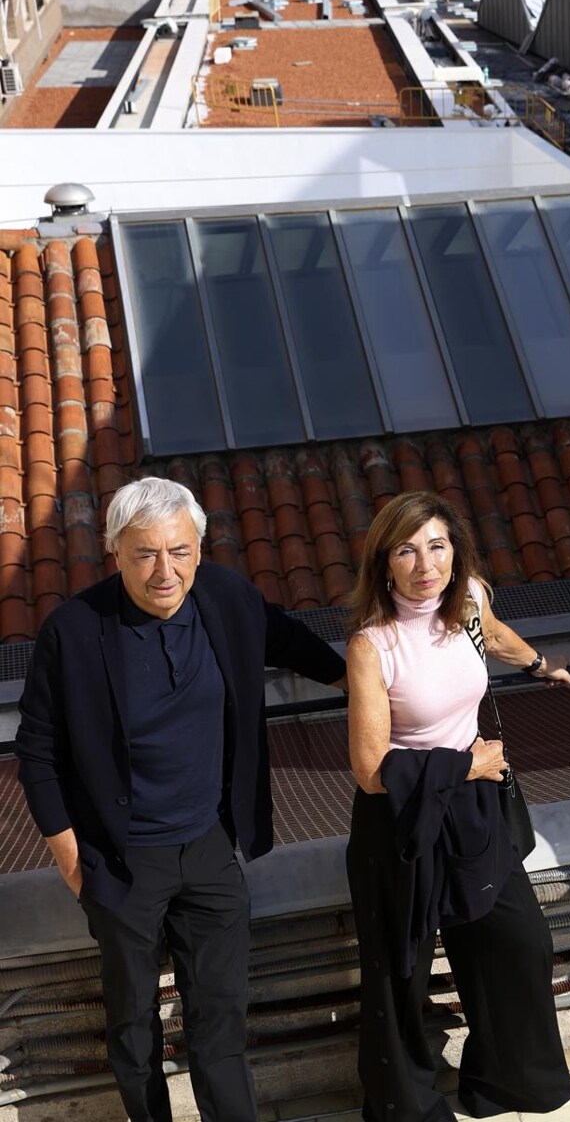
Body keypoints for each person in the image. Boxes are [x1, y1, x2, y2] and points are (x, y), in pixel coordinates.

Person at [15, 477, 347, 1122]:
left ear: (200, 548)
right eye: (145, 554)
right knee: (134, 1025)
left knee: (220, 1017)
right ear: (115, 552)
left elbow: (295, 642)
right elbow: (37, 752)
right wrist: (71, 861)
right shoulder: (75, 630)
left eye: (180, 551)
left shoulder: (227, 597)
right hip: (119, 858)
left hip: (209, 848)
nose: (165, 571)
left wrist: (371, 686)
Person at [344, 490, 570, 1122]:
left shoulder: (468, 596)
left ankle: (505, 1084)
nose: (426, 564)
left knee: (520, 941)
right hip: (402, 822)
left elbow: (491, 634)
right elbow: (369, 771)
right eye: (407, 550)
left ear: (456, 551)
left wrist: (537, 664)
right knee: (401, 976)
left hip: (473, 812)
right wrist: (467, 764)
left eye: (438, 546)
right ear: (385, 563)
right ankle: (406, 1109)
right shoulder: (373, 644)